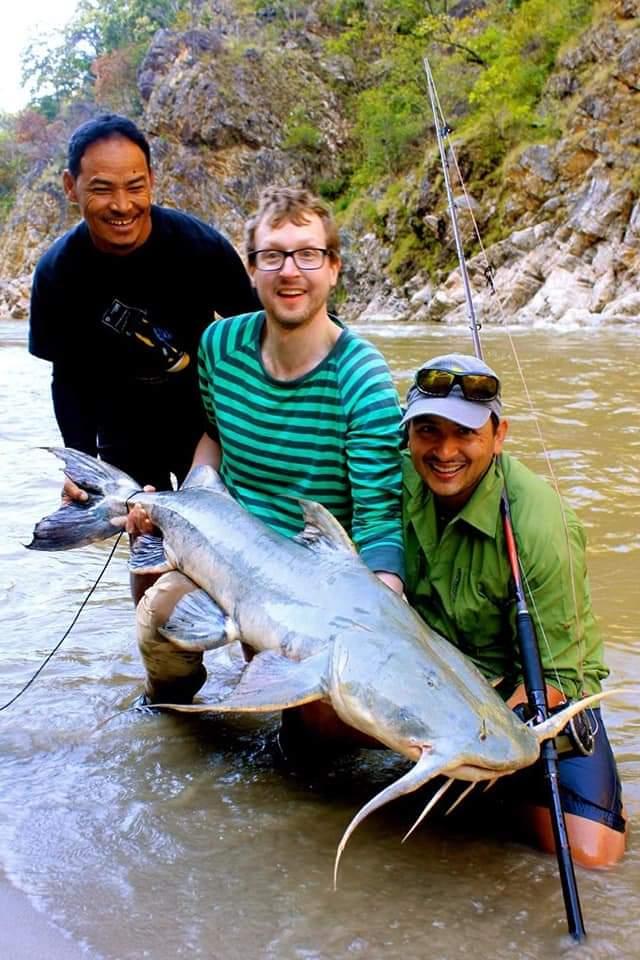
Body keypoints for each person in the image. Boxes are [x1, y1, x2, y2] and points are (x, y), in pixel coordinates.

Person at [132, 187, 405, 739]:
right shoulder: (219, 345)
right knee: (158, 610)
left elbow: (378, 519)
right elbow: (213, 436)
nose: (290, 272)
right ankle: (171, 714)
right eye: (272, 256)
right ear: (251, 270)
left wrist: (379, 627)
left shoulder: (363, 378)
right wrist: (184, 509)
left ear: (333, 270)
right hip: (229, 548)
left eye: (307, 254)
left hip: (313, 583)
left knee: (317, 738)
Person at [401, 351, 626, 868]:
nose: (445, 451)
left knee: (594, 857)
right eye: (428, 431)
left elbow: (560, 675)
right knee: (313, 723)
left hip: (526, 695)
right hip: (430, 677)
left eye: (466, 434)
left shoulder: (541, 526)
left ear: (499, 437)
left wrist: (476, 744)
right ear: (407, 435)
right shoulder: (388, 481)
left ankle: (491, 790)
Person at [29, 113, 258, 494]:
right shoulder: (58, 272)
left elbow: (258, 332)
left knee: (209, 541)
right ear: (71, 187)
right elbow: (69, 379)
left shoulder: (198, 246)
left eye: (135, 186)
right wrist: (80, 465)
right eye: (102, 189)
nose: (122, 205)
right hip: (122, 429)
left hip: (204, 424)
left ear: (151, 181)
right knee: (145, 542)